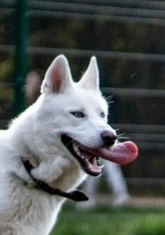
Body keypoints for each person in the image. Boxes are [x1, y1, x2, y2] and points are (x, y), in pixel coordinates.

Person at [25, 69, 130, 207]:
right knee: (94, 162)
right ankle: (92, 198)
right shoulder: (44, 100)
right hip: (89, 133)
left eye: (32, 81)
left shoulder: (75, 95)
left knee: (105, 164)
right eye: (28, 81)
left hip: (98, 131)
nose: (29, 84)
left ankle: (120, 194)